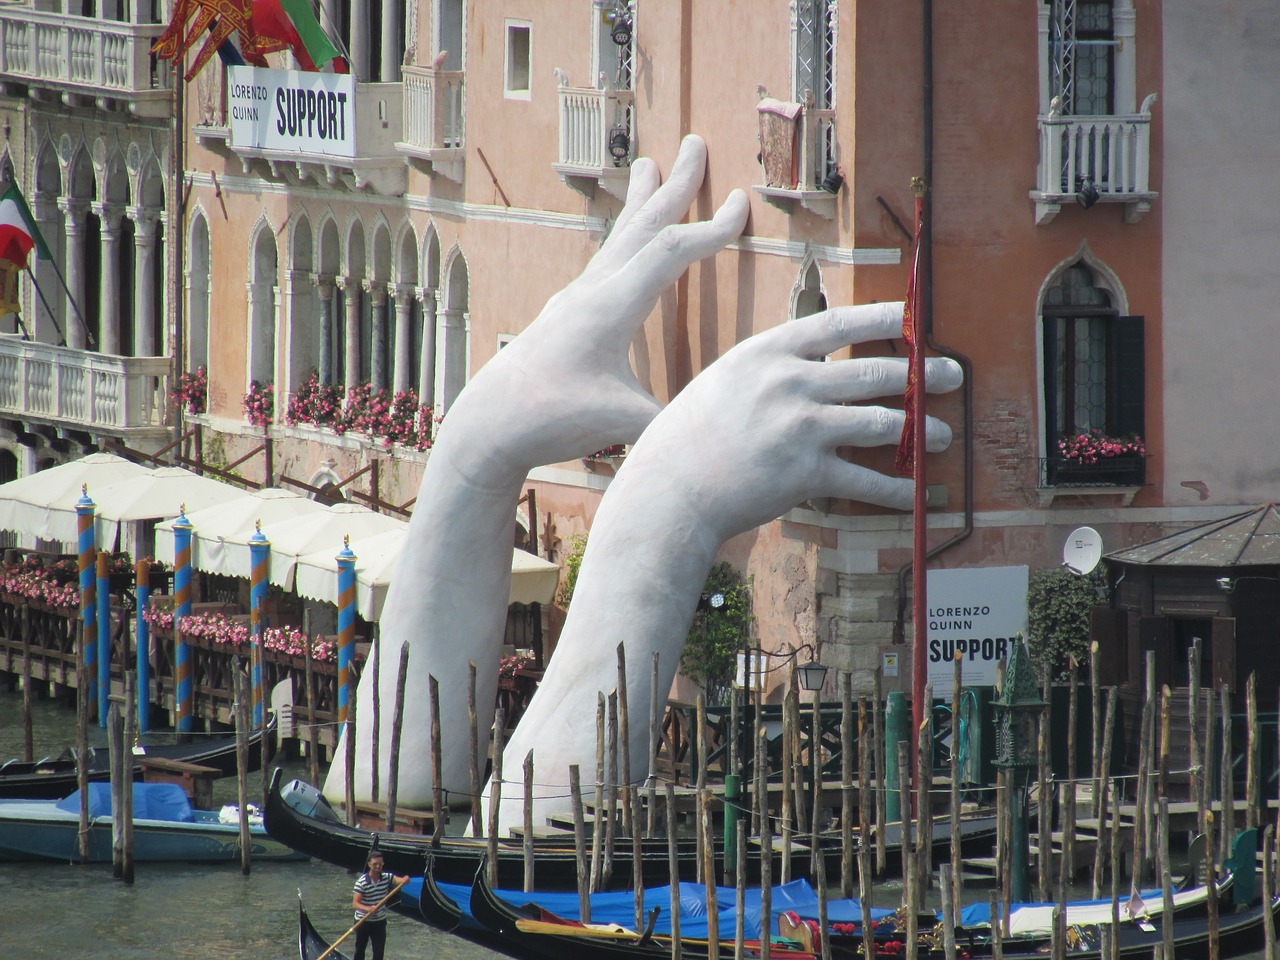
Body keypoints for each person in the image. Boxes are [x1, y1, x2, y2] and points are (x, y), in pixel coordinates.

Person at [351, 851, 408, 960]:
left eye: (380, 864)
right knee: (360, 950)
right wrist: (368, 909)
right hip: (362, 921)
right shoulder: (361, 882)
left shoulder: (387, 877)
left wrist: (405, 879)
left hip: (379, 921)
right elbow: (355, 904)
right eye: (375, 864)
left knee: (379, 952)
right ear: (369, 864)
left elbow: (399, 881)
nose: (378, 866)